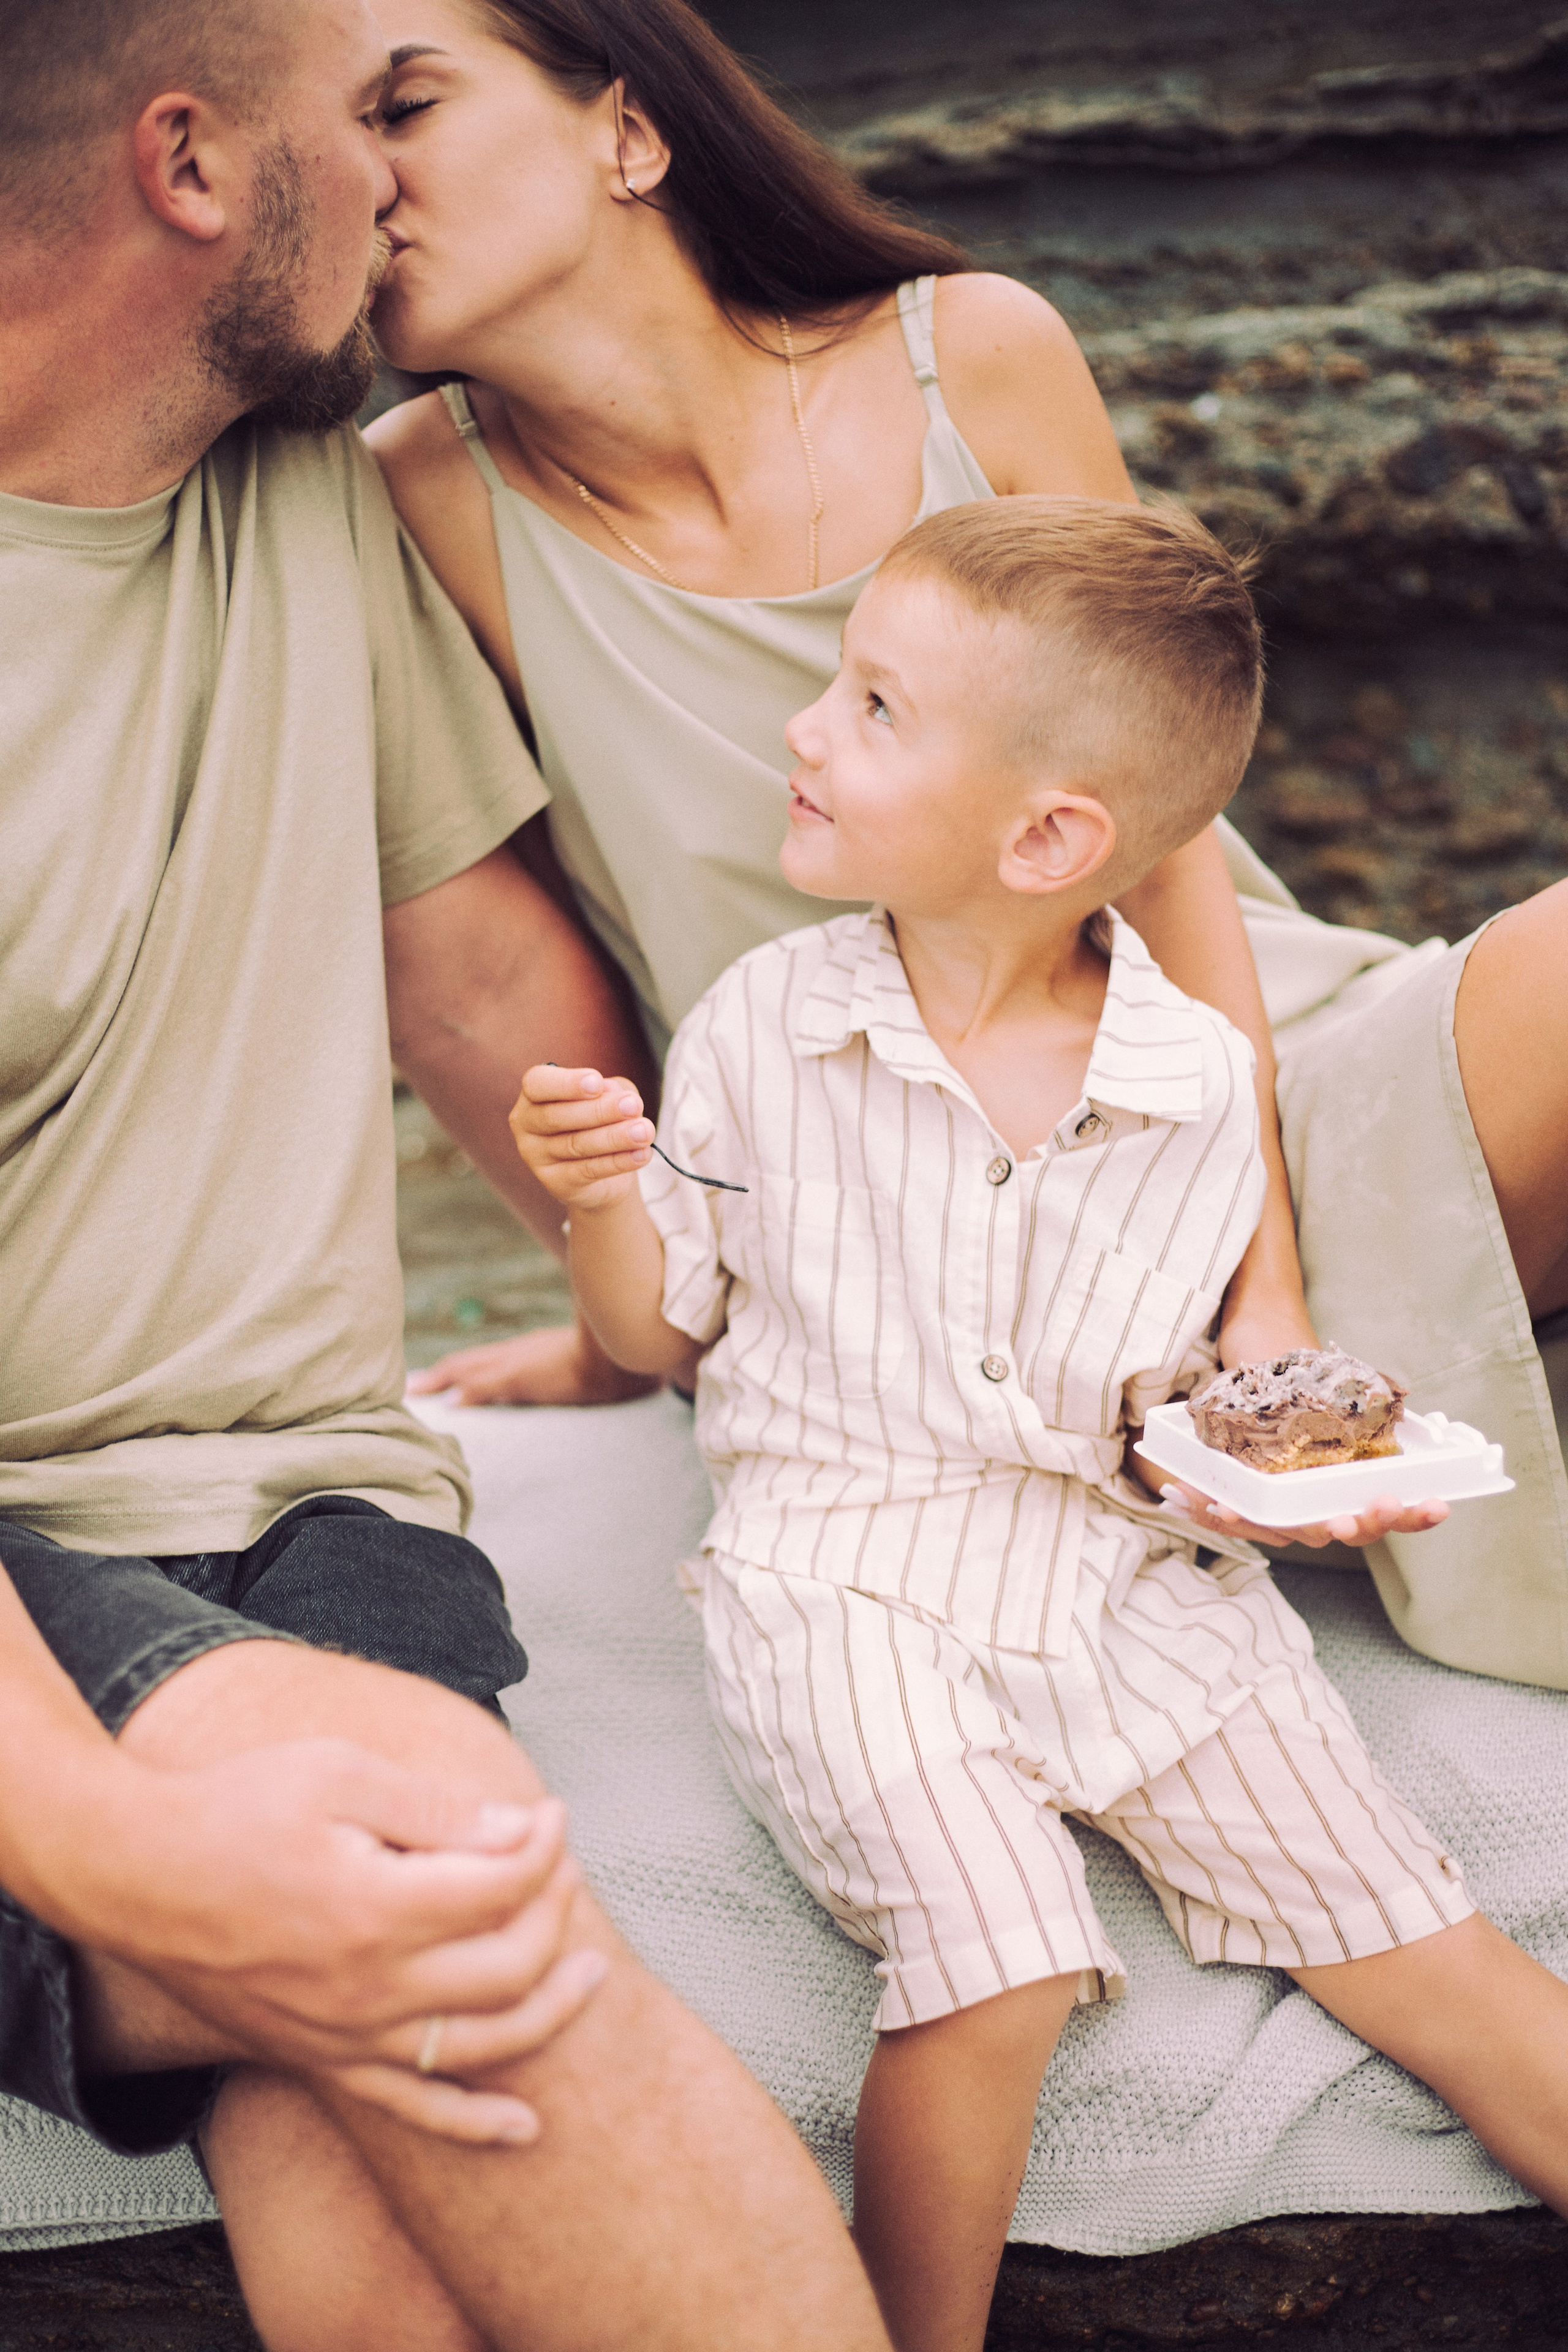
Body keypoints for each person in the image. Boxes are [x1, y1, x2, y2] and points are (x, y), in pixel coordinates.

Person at [0, 1, 895, 2345]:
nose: (396, 183)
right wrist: (134, 1859)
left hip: (317, 1510)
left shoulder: (285, 481)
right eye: (360, 116)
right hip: (25, 1549)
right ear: (195, 165)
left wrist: (709, 1315)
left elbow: (492, 998)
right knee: (436, 1887)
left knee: (376, 2171)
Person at [369, 0, 1568, 1689]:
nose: (359, 174)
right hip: (925, 1217)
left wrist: (1265, 1299)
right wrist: (625, 1311)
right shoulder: (419, 496)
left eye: (406, 105)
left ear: (627, 130)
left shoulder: (970, 349)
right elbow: (486, 965)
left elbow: (1169, 848)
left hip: (1241, 1085)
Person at [512, 496, 1568, 2352]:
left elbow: (1159, 1412)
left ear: (1052, 835)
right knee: (990, 1967)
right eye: (839, 689)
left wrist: (1268, 1487)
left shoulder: (1188, 1079)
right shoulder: (768, 1026)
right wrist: (604, 1194)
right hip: (845, 1580)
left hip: (1133, 1584)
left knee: (1426, 1946)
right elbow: (659, 1326)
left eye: (873, 708)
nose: (804, 731)